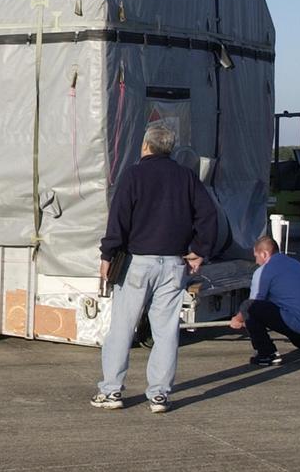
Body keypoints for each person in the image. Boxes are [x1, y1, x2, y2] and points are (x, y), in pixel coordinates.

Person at [92, 124, 218, 414]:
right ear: (170, 148)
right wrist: (199, 250)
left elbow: (119, 219)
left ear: (145, 146)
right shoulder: (186, 177)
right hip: (174, 264)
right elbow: (208, 214)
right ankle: (159, 395)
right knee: (166, 330)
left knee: (122, 328)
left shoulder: (134, 175)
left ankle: (111, 391)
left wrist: (107, 254)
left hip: (138, 262)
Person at [229, 236, 300, 365]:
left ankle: (267, 353)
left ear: (264, 254)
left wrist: (238, 319)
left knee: (248, 307)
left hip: (299, 324)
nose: (256, 261)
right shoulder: (295, 263)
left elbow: (254, 303)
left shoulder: (264, 271)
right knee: (289, 314)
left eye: (256, 256)